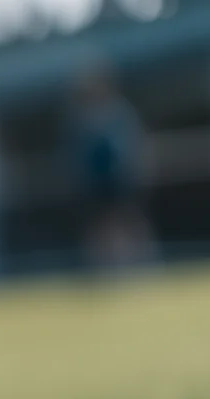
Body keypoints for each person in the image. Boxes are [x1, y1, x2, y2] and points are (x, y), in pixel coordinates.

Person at [69, 64, 155, 272]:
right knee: (101, 224)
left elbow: (133, 144)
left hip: (119, 179)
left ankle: (143, 262)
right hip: (96, 183)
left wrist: (136, 168)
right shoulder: (82, 118)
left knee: (129, 219)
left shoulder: (119, 112)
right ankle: (103, 266)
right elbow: (78, 153)